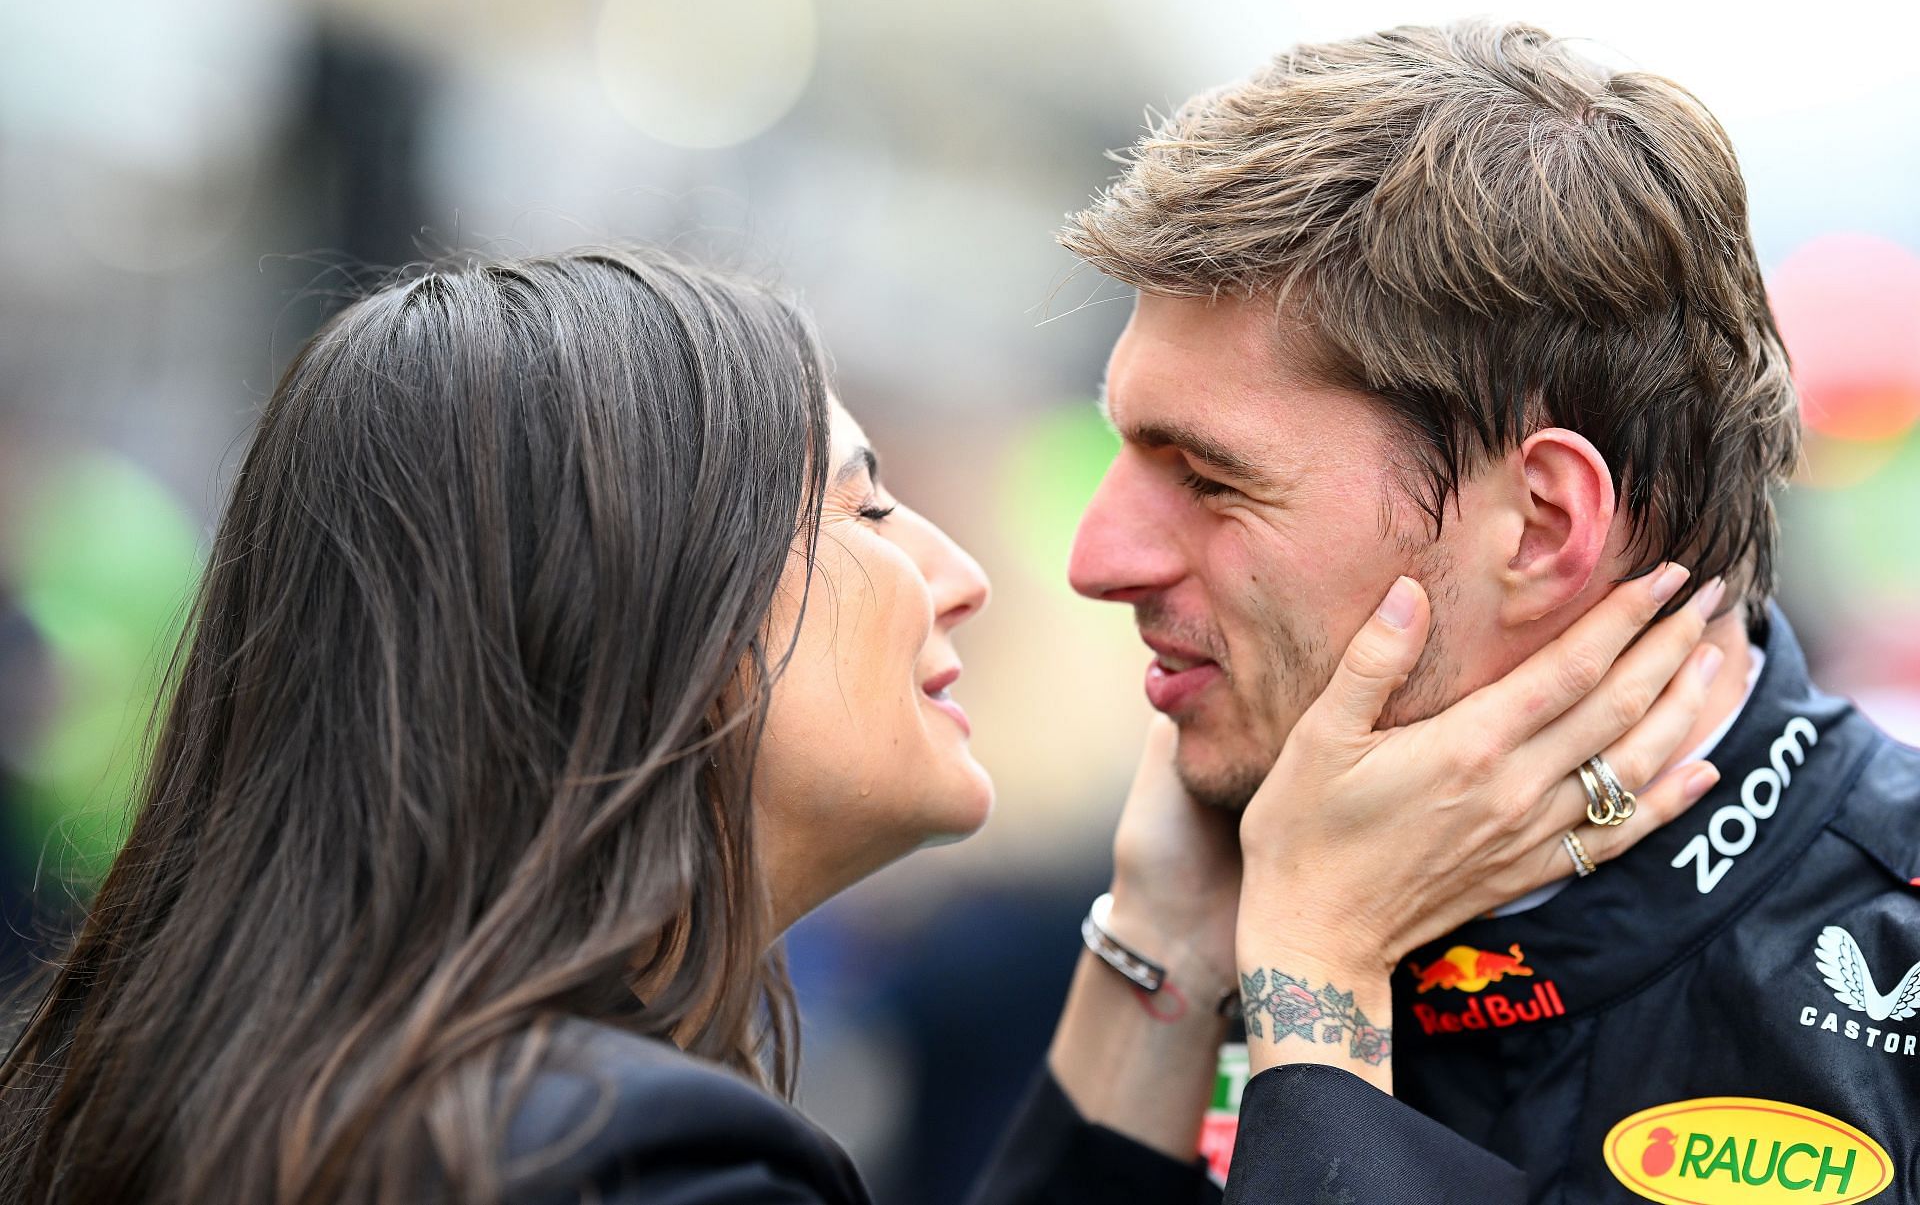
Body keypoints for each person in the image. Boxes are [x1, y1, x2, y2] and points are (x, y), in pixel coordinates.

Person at [0, 249, 1718, 1203]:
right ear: (647, 607)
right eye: (870, 508)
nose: (977, 575)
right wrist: (1320, 980)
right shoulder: (621, 1175)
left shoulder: (247, 1095)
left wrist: (1171, 943)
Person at [1058, 18, 1920, 1202]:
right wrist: (1162, 945)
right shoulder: (1190, 886)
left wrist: (1318, 982)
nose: (1096, 558)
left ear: (1543, 525)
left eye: (1210, 478)